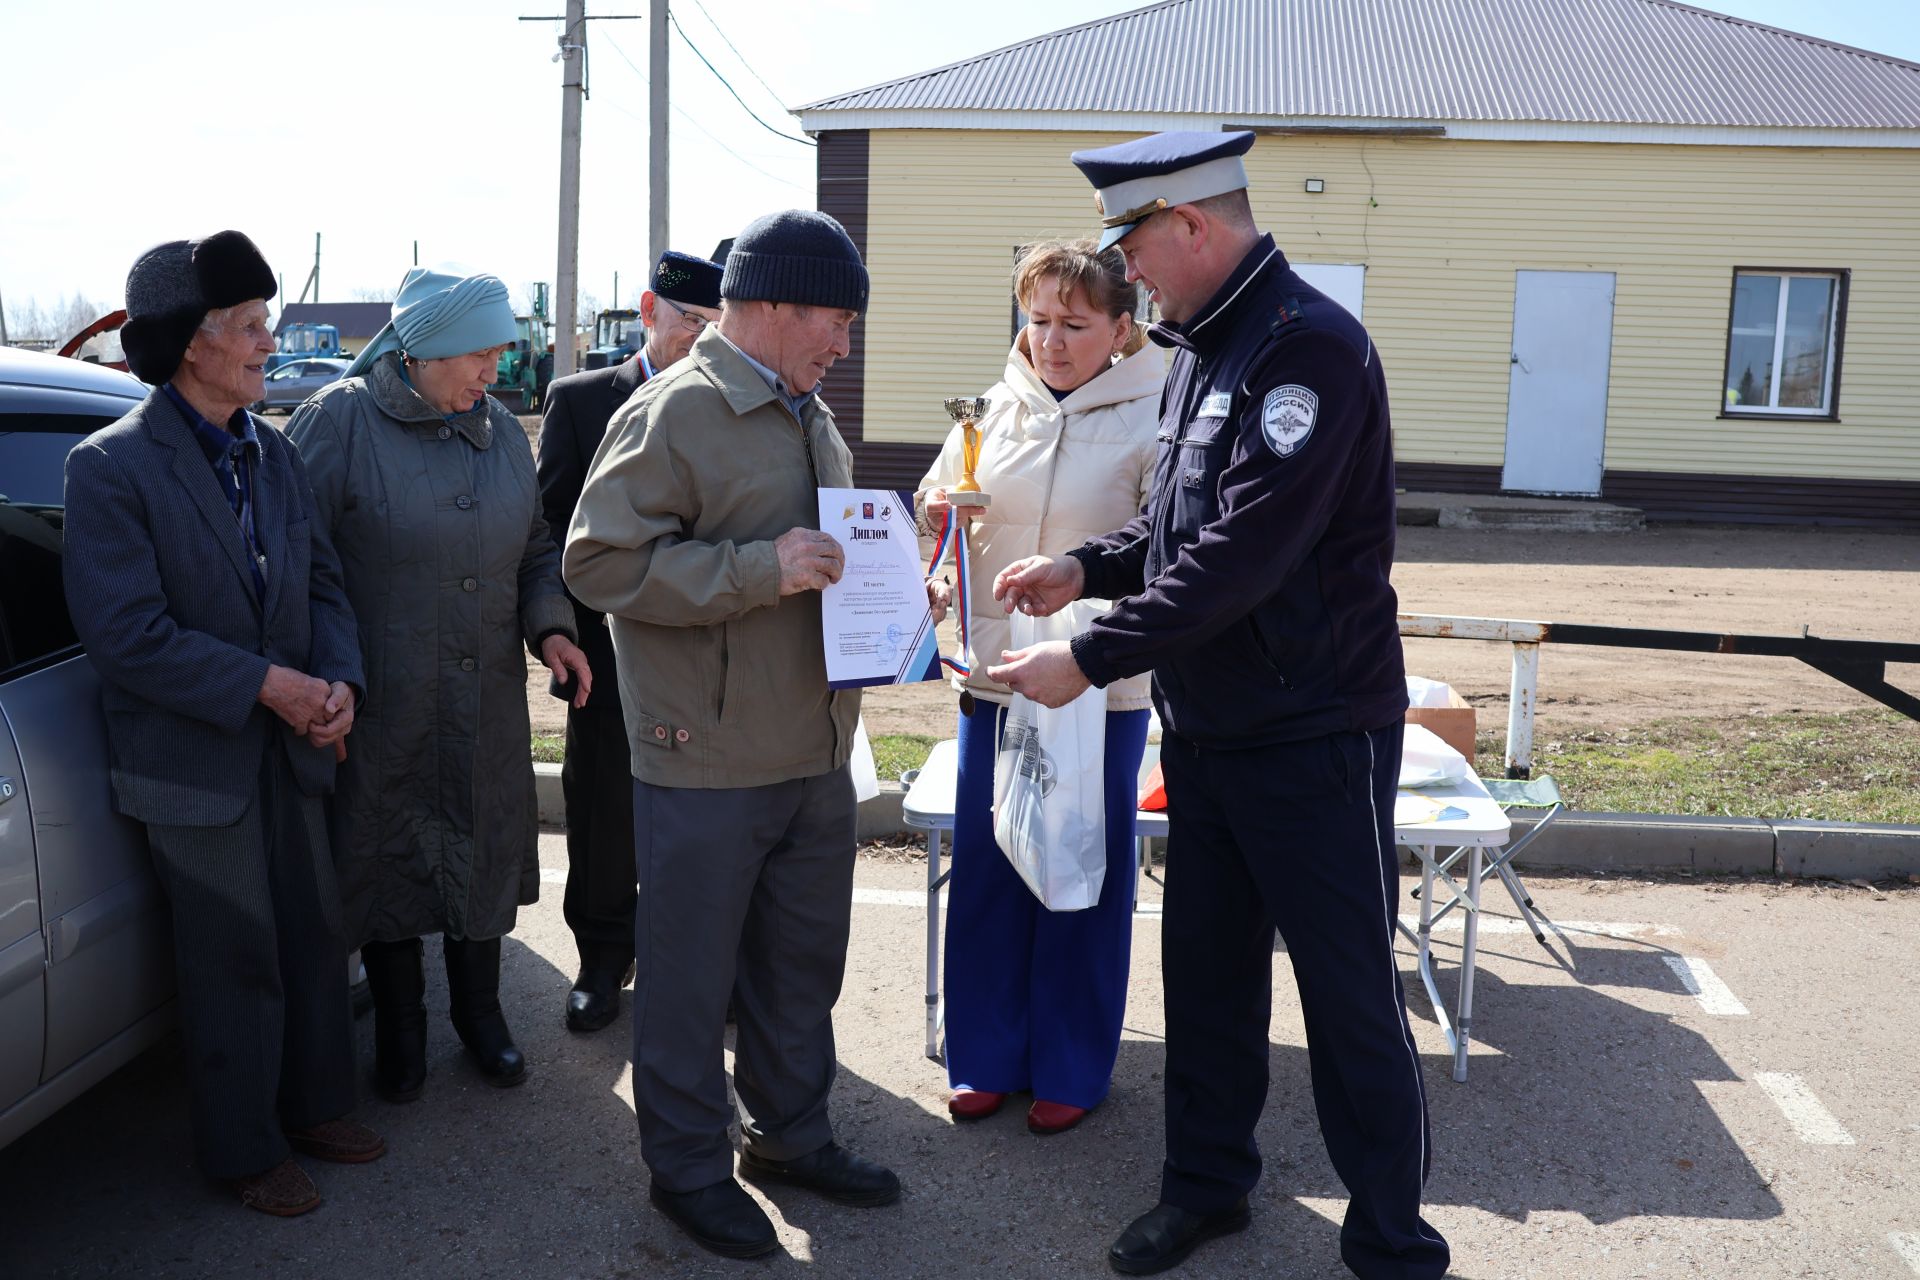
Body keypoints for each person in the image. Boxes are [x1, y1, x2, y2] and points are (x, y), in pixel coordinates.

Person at [990, 132, 1450, 1278]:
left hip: (1313, 734)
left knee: (1346, 996)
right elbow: (1177, 527)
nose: (1128, 273)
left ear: (1191, 225)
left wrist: (1087, 656)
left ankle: (1394, 1236)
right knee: (1204, 978)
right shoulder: (1205, 348)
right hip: (1210, 729)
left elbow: (1245, 553)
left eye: (1135, 244)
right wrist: (1084, 568)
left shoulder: (1312, 354)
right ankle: (1206, 1188)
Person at [565, 210, 900, 1260]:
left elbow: (824, 554)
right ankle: (689, 1168)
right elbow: (597, 565)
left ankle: (790, 1137)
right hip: (703, 751)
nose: (843, 343)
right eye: (832, 319)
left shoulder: (808, 412)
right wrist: (763, 568)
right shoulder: (675, 414)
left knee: (799, 966)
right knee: (689, 975)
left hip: (813, 745)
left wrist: (895, 589)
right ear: (767, 305)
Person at [62, 230, 383, 1216]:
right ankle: (244, 1148)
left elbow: (325, 582)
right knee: (232, 953)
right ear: (192, 343)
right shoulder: (110, 467)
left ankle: (317, 1102)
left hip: (293, 746)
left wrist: (338, 679)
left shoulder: (273, 451)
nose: (267, 341)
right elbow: (129, 636)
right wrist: (269, 686)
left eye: (265, 321)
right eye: (249, 325)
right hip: (192, 762)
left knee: (311, 931)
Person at [287, 269, 592, 1102]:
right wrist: (325, 672)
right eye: (481, 354)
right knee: (385, 857)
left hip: (485, 696)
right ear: (422, 351)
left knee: (481, 848)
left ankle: (482, 1019)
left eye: (499, 351)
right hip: (381, 698)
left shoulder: (498, 429)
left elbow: (533, 548)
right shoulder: (337, 424)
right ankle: (400, 1029)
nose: (494, 370)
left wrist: (552, 628)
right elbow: (300, 563)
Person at [915, 239, 1162, 1135]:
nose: (1051, 341)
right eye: (1038, 319)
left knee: (1080, 872)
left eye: (1075, 323)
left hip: (1101, 685)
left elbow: (1161, 555)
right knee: (989, 866)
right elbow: (940, 506)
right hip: (997, 677)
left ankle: (1070, 1062)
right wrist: (936, 534)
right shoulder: (991, 408)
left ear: (1121, 328)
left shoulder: (1155, 411)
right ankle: (985, 1054)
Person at [537, 248, 724, 1033]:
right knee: (606, 808)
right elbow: (549, 530)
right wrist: (559, 638)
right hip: (605, 656)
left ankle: (696, 968)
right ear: (649, 311)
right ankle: (603, 959)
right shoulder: (580, 402)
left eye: (717, 326)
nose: (701, 340)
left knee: (702, 823)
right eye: (689, 322)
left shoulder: (729, 402)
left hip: (706, 653)